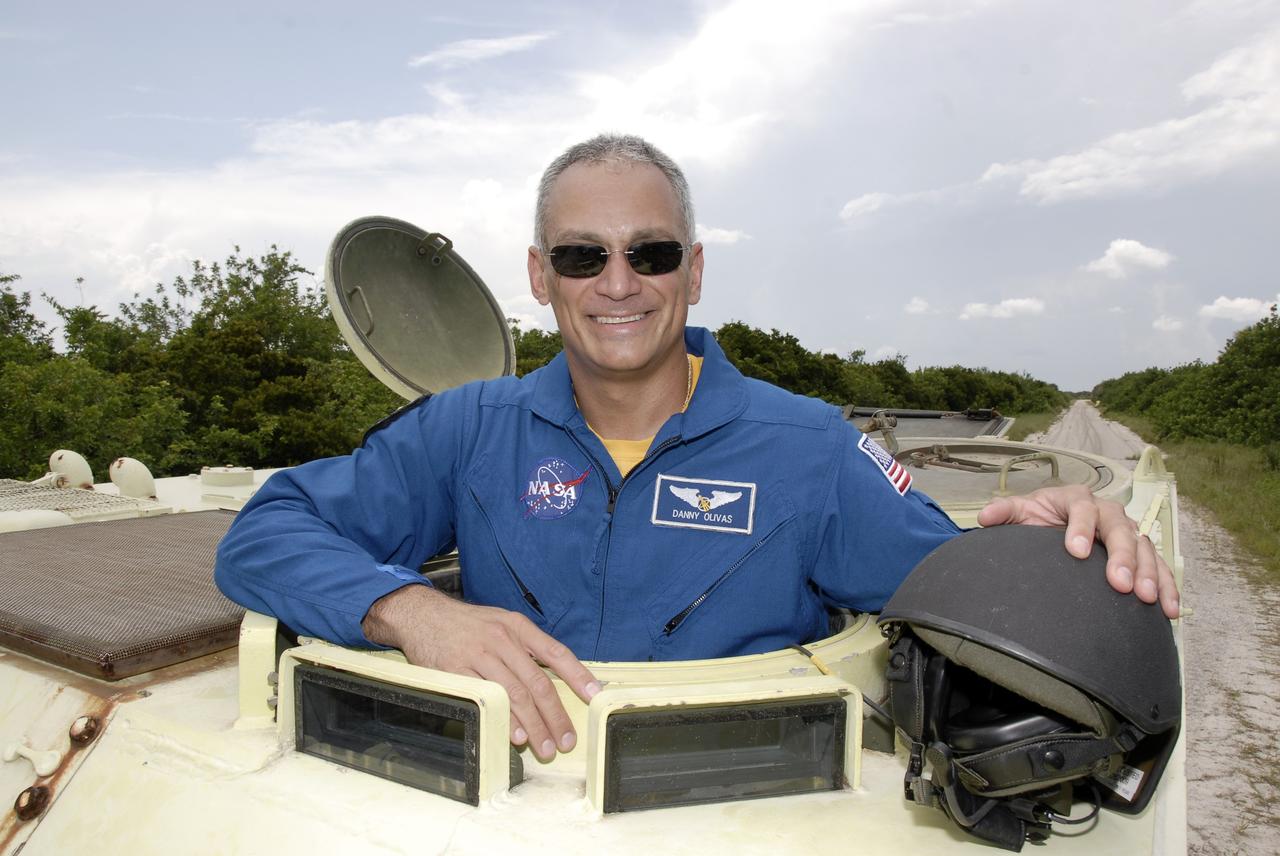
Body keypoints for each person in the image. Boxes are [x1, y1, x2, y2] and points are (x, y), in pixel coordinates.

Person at [215, 133, 1179, 765]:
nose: (618, 283)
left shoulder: (809, 448)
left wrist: (1049, 548)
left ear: (695, 271)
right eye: (583, 255)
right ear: (541, 277)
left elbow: (955, 591)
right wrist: (411, 611)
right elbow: (263, 534)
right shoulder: (468, 428)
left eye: (652, 252)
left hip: (730, 811)